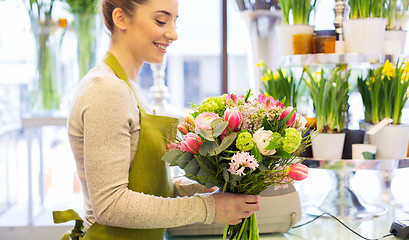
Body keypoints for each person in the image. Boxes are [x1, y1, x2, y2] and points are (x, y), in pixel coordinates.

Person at [53, 0, 260, 239]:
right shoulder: (107, 90)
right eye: (161, 21)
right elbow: (111, 205)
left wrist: (209, 183)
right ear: (121, 19)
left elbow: (146, 188)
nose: (173, 33)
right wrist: (209, 207)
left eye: (174, 21)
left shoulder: (129, 88)